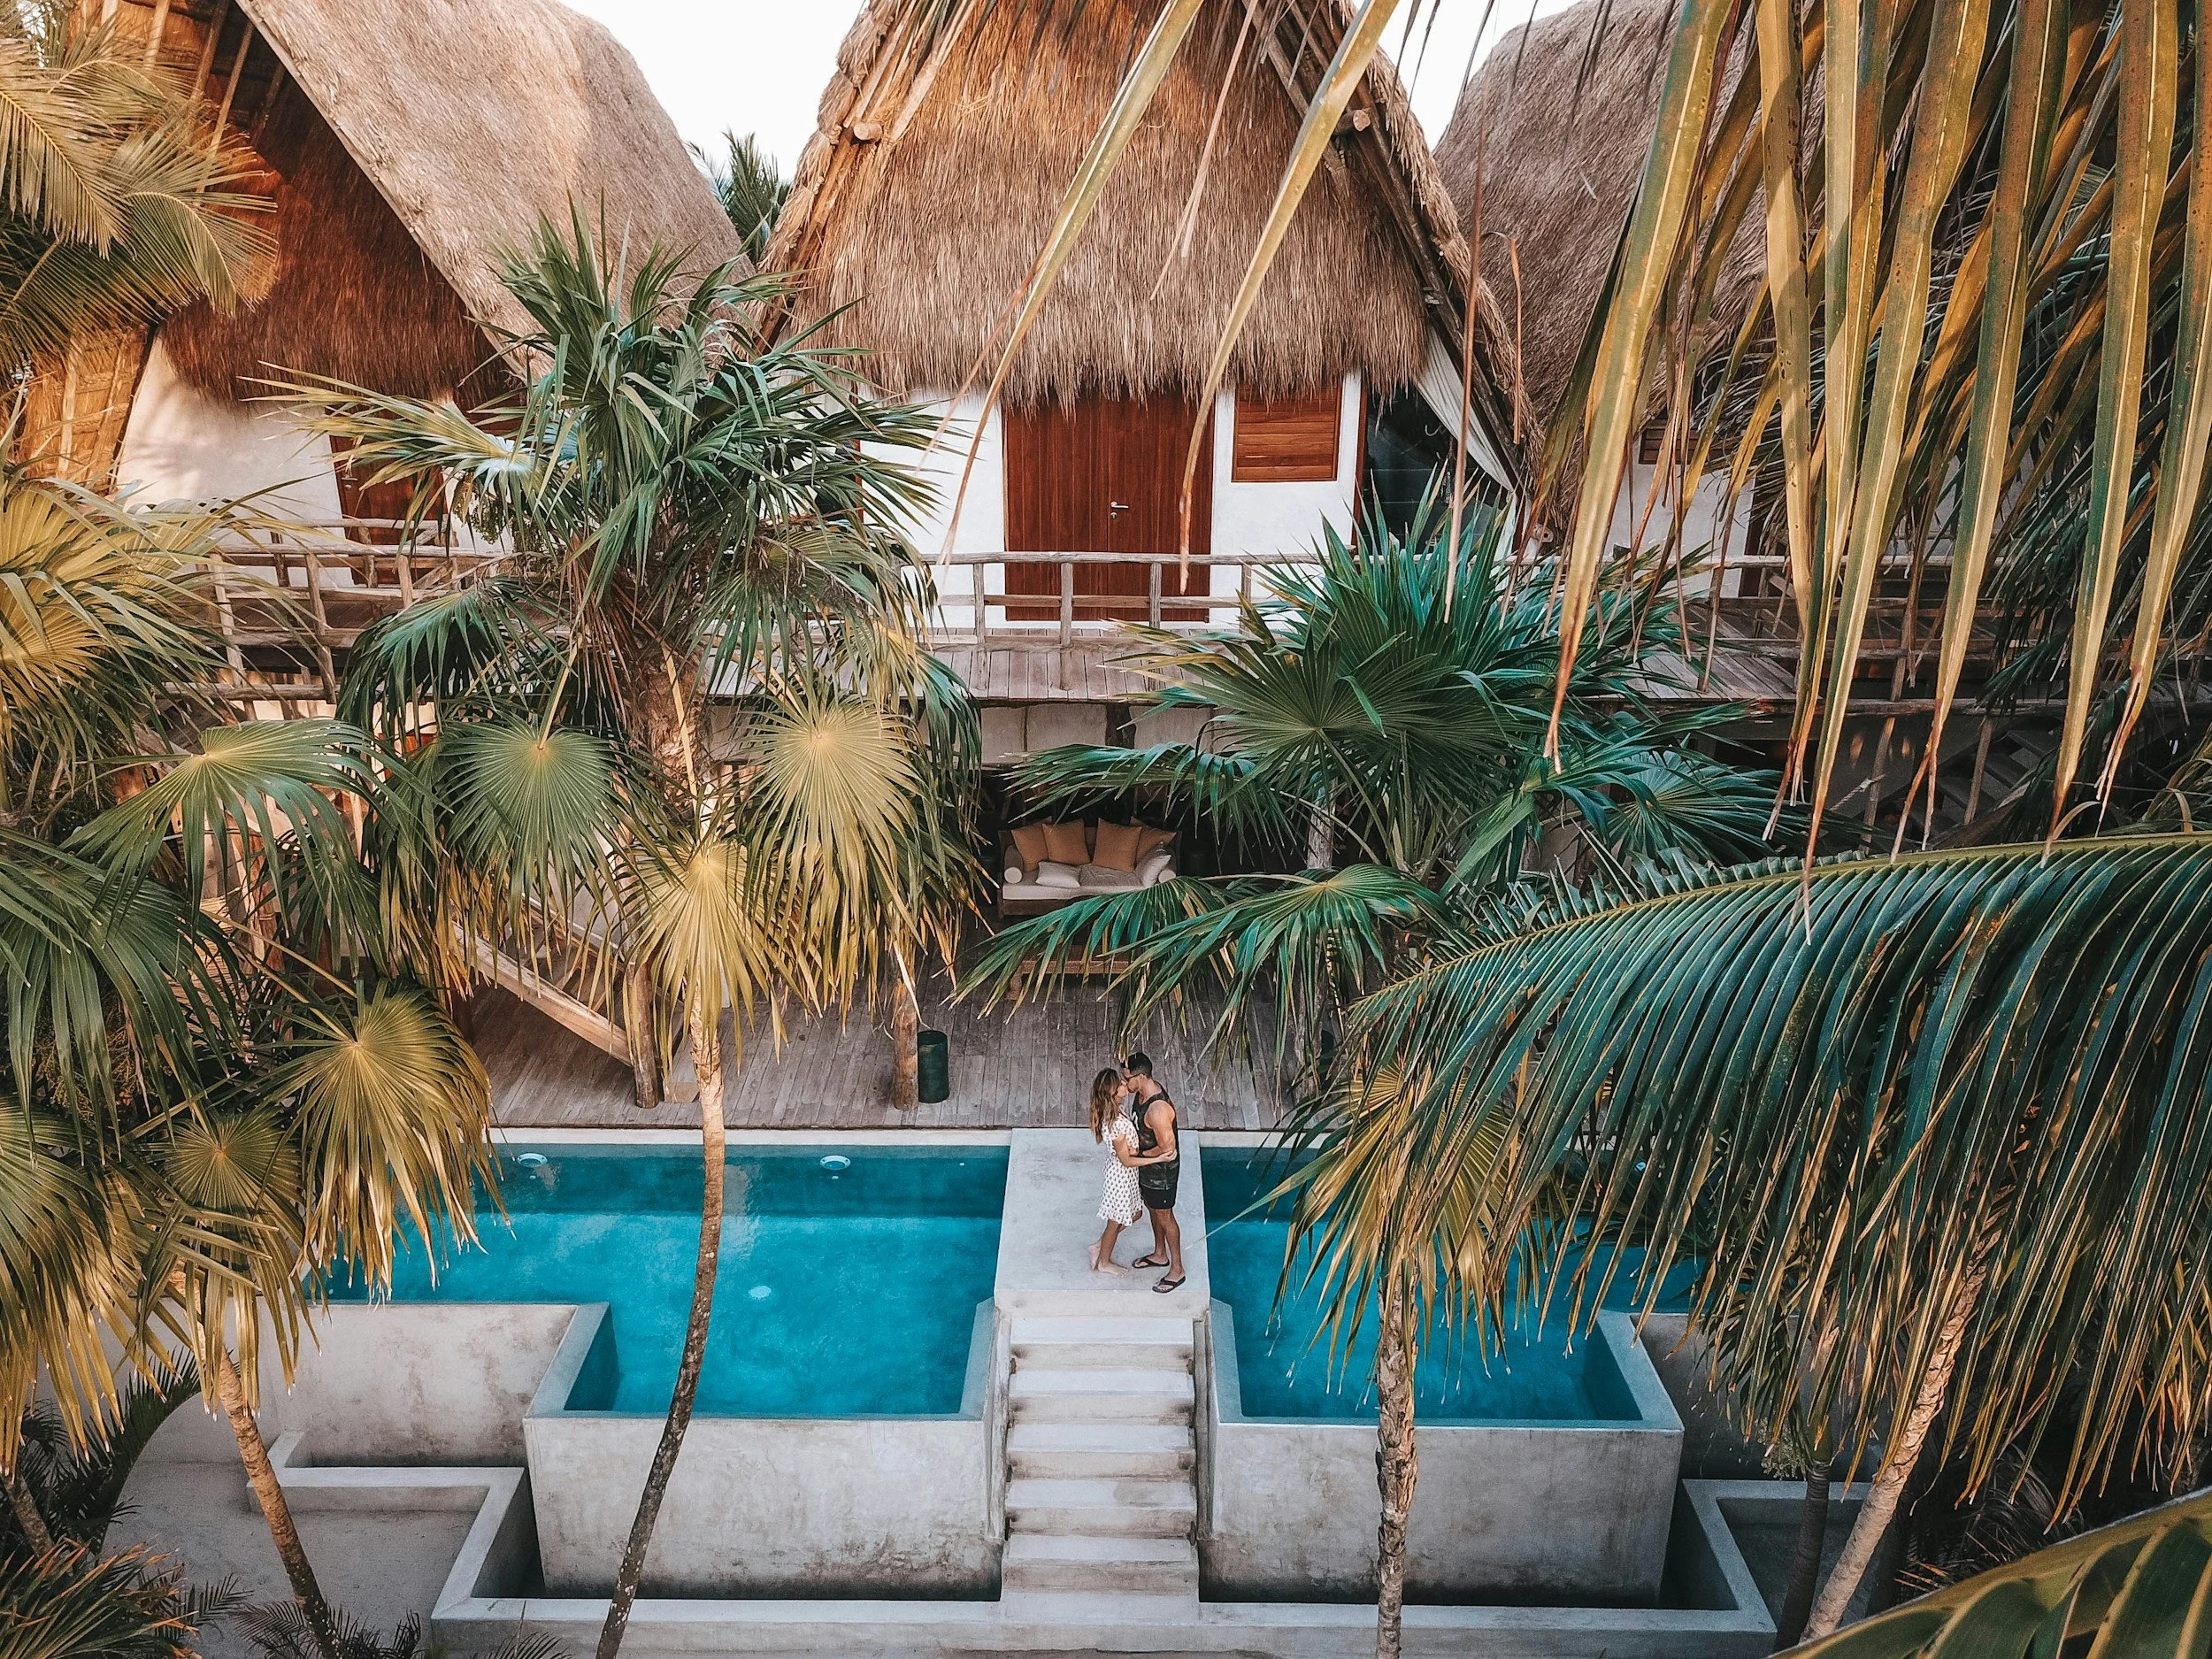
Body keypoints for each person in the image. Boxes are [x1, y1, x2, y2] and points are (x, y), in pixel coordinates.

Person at [1122, 1051, 1185, 1293]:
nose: (1124, 1081)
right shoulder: (1140, 1093)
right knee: (1153, 1210)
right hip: (1148, 1168)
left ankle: (1177, 1270)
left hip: (1162, 1173)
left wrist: (1138, 1156)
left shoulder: (1157, 1109)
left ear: (1140, 1077)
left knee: (1166, 1216)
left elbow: (1169, 1149)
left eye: (1127, 1077)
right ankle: (1160, 1254)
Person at [1087, 1068, 1144, 1274]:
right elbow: (1127, 1161)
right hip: (1120, 1175)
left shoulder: (1118, 1111)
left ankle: (1099, 1246)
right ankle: (1104, 1262)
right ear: (1112, 1092)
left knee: (1136, 1213)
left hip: (1127, 1174)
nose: (1124, 1084)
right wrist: (1157, 1158)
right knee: (1116, 1221)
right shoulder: (1115, 1122)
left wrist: (1134, 1148)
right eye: (1120, 1084)